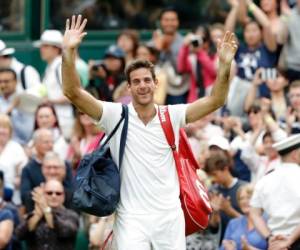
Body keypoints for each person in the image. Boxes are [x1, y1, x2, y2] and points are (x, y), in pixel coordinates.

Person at [61, 15, 237, 249]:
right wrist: (68, 52)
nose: (143, 85)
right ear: (129, 86)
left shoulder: (171, 115)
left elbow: (216, 100)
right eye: (136, 81)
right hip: (130, 217)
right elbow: (72, 92)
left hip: (169, 217)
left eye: (147, 80)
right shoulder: (116, 115)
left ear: (155, 83)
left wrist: (224, 66)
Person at [250, 134, 300, 250]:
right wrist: (290, 239)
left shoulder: (264, 180)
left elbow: (254, 213)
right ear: (295, 154)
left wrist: (269, 238)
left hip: (275, 243)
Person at [16, 179, 79, 250]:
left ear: (63, 196)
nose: (54, 196)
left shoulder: (71, 215)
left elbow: (64, 231)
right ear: (43, 195)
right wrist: (37, 215)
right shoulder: (34, 214)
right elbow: (19, 235)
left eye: (58, 193)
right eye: (49, 193)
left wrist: (46, 209)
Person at [34, 29, 74, 139]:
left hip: (64, 123)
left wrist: (49, 101)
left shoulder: (61, 66)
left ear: (56, 49)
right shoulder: (50, 67)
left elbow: (73, 94)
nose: (41, 50)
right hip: (53, 124)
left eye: (45, 46)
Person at [220, 184, 267, 250]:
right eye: (241, 199)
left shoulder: (268, 221)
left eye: (248, 197)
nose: (244, 201)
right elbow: (222, 247)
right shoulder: (233, 223)